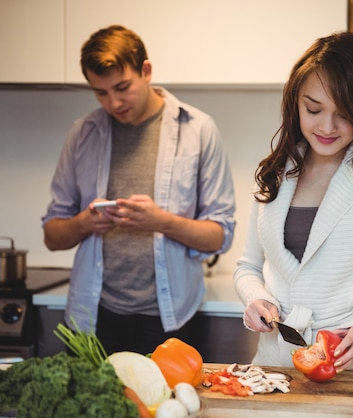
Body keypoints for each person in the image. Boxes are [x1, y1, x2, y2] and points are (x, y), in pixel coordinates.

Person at [234, 31, 353, 385]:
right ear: (295, 103)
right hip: (274, 370)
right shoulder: (273, 172)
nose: (326, 127)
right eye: (313, 109)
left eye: (344, 114)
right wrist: (255, 298)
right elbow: (247, 266)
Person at [42, 25, 236, 355]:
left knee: (161, 408)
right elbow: (52, 235)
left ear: (146, 71)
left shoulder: (199, 130)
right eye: (100, 92)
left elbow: (220, 235)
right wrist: (84, 223)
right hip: (93, 315)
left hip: (169, 317)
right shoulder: (83, 134)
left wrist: (161, 221)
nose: (113, 102)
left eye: (122, 87)